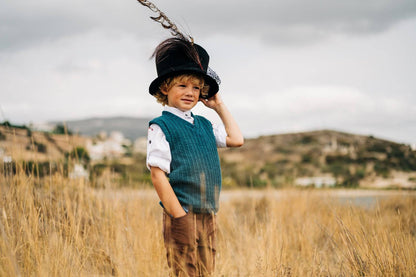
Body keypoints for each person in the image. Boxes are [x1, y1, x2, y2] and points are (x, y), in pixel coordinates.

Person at [146, 37, 244, 276]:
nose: (190, 92)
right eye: (182, 86)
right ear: (165, 88)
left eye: (196, 88)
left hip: (208, 214)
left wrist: (219, 106)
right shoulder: (161, 126)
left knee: (205, 272)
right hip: (182, 213)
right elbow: (158, 176)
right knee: (184, 271)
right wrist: (179, 216)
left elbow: (236, 139)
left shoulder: (204, 125)